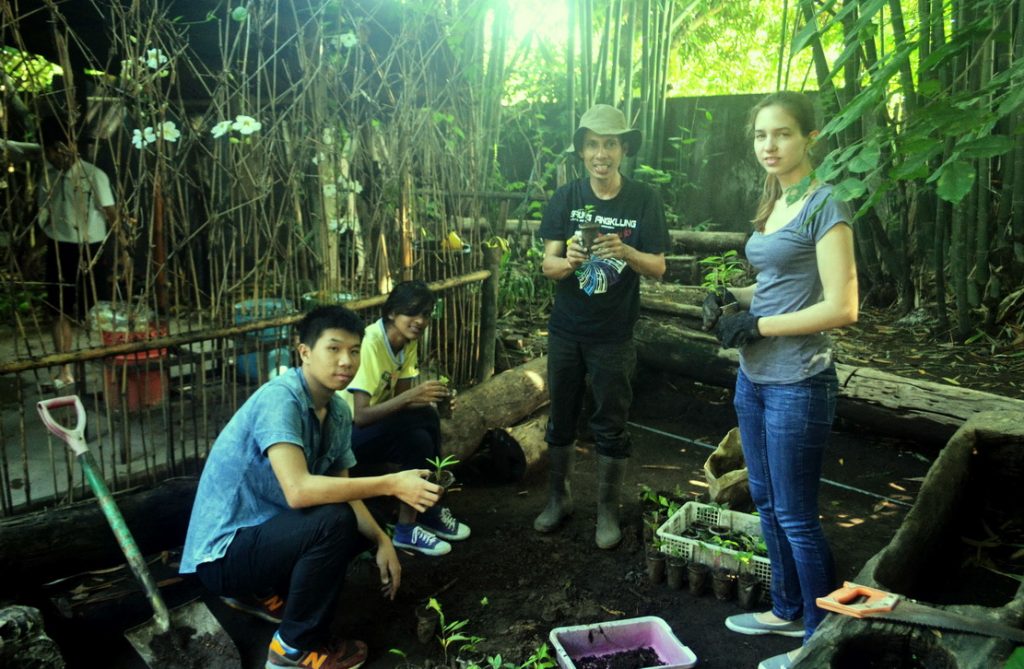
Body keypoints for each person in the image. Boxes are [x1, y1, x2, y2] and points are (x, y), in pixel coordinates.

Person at [180, 305, 441, 669]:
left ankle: (262, 591)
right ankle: (292, 649)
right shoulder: (281, 399)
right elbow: (299, 491)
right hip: (222, 554)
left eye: (353, 350)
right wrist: (392, 484)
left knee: (354, 523)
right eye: (333, 349)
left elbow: (344, 489)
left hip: (263, 536)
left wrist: (383, 541)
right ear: (304, 352)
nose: (346, 361)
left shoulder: (336, 412)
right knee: (333, 520)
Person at [703, 91, 858, 669]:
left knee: (795, 514)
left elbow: (842, 306)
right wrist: (730, 299)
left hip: (800, 382)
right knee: (766, 502)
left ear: (809, 139)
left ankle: (819, 639)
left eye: (783, 134)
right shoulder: (775, 200)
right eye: (760, 136)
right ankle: (787, 609)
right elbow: (774, 283)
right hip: (755, 378)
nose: (769, 145)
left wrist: (758, 323)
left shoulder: (825, 206)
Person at [533, 103, 670, 549]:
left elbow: (659, 267)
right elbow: (547, 265)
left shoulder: (643, 199)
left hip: (614, 334)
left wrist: (626, 252)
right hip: (566, 330)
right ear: (582, 151)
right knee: (562, 417)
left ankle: (607, 511)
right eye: (592, 144)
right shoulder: (566, 198)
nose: (601, 153)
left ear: (623, 149)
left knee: (611, 421)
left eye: (610, 144)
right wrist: (569, 261)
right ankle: (560, 498)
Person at [344, 280, 470, 557]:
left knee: (418, 438)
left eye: (425, 314)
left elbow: (402, 405)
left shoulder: (406, 342)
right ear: (391, 313)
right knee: (422, 416)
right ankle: (433, 503)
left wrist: (440, 403)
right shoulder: (371, 343)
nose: (420, 321)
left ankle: (408, 527)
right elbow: (361, 416)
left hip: (375, 431)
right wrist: (416, 398)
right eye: (412, 312)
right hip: (345, 439)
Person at [0, 116, 118, 388]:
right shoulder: (48, 179)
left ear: (69, 147)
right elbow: (49, 219)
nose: (53, 156)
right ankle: (64, 369)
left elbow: (112, 215)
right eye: (49, 151)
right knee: (59, 310)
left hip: (92, 250)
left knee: (95, 313)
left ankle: (106, 368)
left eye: (56, 149)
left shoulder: (93, 175)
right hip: (59, 249)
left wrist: (122, 250)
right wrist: (34, 250)